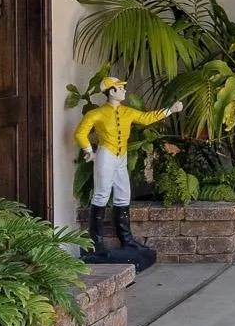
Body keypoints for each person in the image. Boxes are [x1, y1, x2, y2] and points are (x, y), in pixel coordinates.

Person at [74, 77, 182, 270]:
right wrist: (89, 150)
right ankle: (96, 242)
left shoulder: (127, 112)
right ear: (112, 91)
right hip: (106, 155)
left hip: (121, 156)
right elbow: (80, 133)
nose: (124, 91)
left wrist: (170, 110)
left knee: (123, 193)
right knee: (101, 194)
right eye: (120, 88)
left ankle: (126, 240)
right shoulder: (96, 114)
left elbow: (147, 118)